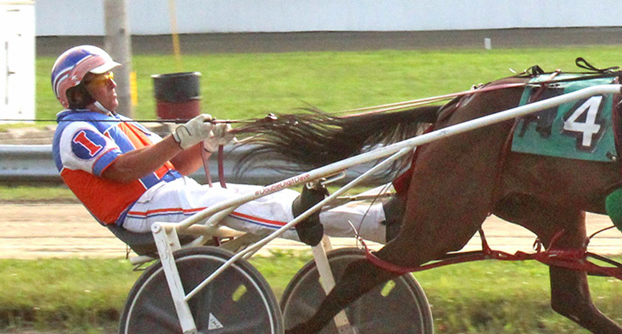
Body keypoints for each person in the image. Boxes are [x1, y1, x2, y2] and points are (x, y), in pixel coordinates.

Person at [51, 45, 390, 246]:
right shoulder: (74, 133)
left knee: (268, 196)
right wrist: (180, 137)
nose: (112, 84)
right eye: (101, 79)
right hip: (141, 211)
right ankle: (360, 224)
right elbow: (122, 171)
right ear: (77, 91)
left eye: (110, 77)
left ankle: (375, 221)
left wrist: (206, 145)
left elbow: (175, 168)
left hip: (168, 196)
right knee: (240, 203)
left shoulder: (118, 123)